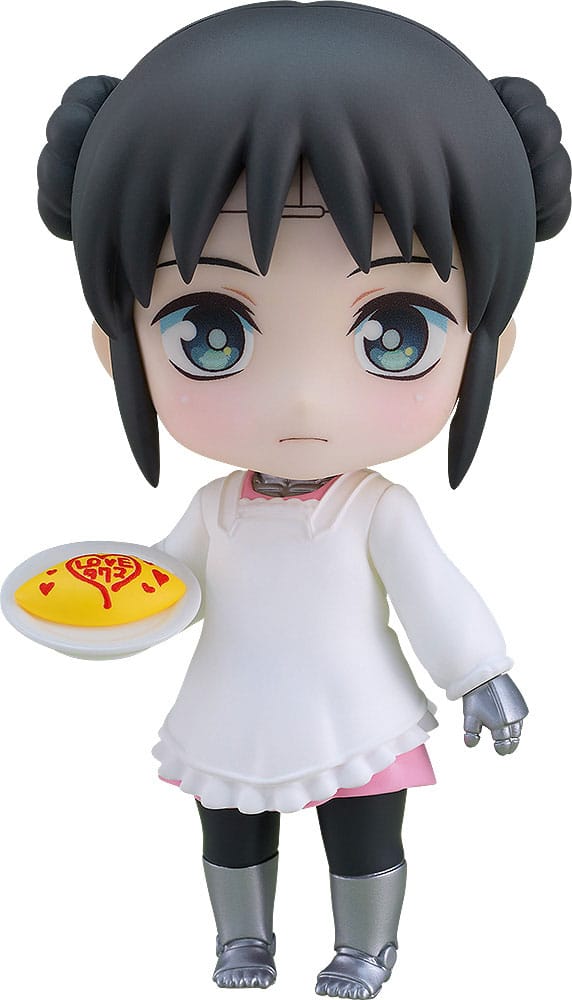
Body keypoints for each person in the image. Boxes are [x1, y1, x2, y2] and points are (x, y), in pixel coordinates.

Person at [33, 3, 570, 996]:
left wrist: (479, 673)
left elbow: (433, 594)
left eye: (396, 332)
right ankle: (242, 940)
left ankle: (366, 947)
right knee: (228, 827)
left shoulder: (376, 510)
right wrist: (92, 606)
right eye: (211, 331)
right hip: (230, 706)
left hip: (354, 711)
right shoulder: (214, 508)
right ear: (117, 346)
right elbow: (163, 583)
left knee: (363, 833)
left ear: (487, 348)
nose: (304, 400)